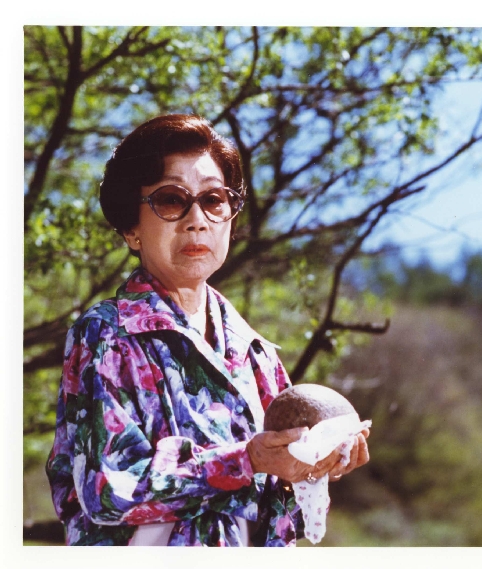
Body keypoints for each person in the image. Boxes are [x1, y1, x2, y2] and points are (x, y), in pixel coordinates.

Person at [45, 114, 370, 546]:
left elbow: (279, 513)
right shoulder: (107, 336)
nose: (196, 219)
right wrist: (248, 460)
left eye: (214, 200)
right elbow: (109, 490)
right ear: (131, 229)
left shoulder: (256, 353)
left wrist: (315, 468)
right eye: (171, 200)